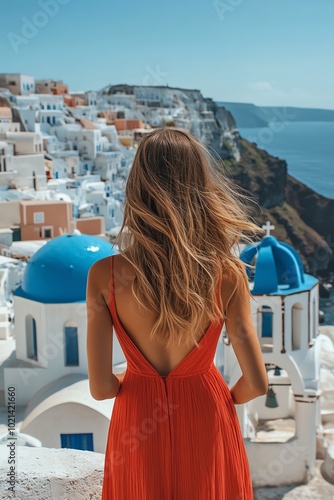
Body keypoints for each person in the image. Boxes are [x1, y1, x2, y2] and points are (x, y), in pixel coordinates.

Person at [86, 127, 268, 499]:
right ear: (200, 189)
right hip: (206, 408)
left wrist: (137, 380)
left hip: (137, 417)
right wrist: (213, 398)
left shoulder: (105, 275)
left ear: (137, 189)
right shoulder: (227, 274)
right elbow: (257, 384)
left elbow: (102, 389)